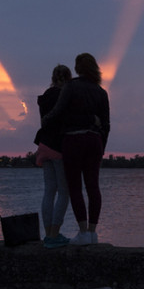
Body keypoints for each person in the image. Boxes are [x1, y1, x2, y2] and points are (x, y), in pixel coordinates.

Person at [42, 53, 110, 246]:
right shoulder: (101, 92)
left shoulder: (71, 87)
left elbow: (59, 111)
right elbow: (106, 125)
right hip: (95, 141)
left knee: (75, 187)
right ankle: (93, 232)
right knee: (93, 187)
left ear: (78, 68)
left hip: (73, 141)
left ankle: (82, 232)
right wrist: (102, 148)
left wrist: (46, 119)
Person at [33, 64, 72, 249]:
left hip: (44, 146)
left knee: (49, 191)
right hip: (58, 147)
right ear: (68, 78)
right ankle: (54, 234)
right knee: (64, 192)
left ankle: (48, 233)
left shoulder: (45, 96)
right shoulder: (64, 96)